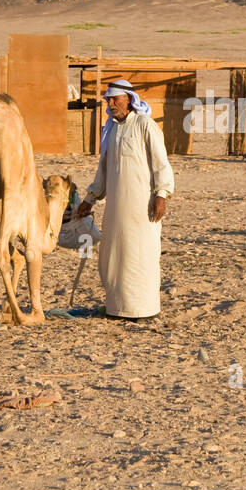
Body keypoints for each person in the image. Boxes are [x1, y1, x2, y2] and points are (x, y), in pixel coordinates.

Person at [75, 79, 174, 318]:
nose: (110, 103)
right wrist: (91, 198)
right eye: (108, 99)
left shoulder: (144, 124)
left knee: (141, 255)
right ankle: (117, 308)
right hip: (116, 208)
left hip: (142, 207)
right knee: (114, 256)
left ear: (128, 99)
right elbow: (104, 168)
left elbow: (161, 163)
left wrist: (161, 195)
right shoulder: (111, 129)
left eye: (114, 99)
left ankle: (144, 309)